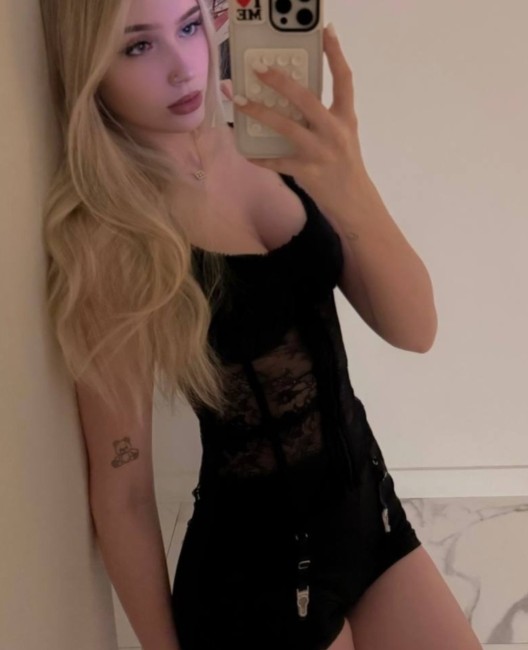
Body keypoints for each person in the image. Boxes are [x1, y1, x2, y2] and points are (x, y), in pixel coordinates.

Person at [39, 0, 484, 649]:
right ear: (90, 70)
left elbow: (416, 330)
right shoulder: (111, 238)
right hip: (255, 582)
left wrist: (350, 180)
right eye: (138, 46)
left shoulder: (272, 144)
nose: (182, 68)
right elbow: (123, 492)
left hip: (371, 514)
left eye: (188, 26)